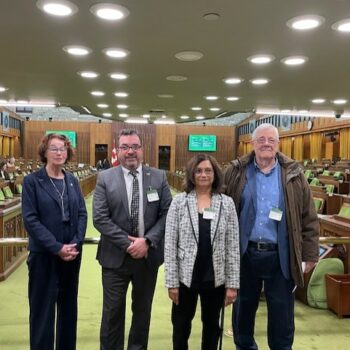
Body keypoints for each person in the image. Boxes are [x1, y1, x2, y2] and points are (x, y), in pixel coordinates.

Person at [224, 123, 319, 350]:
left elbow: (309, 217)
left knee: (282, 315)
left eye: (271, 140)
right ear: (252, 144)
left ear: (278, 144)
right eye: (261, 140)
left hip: (281, 256)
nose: (266, 144)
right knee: (243, 311)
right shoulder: (236, 171)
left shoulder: (295, 175)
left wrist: (310, 254)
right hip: (245, 254)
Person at [93, 128, 172, 350]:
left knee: (142, 313)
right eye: (125, 147)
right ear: (118, 150)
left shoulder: (158, 176)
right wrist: (129, 244)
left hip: (147, 258)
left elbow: (167, 213)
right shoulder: (105, 178)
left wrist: (146, 241)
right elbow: (99, 218)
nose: (130, 152)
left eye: (135, 147)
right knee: (112, 314)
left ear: (142, 150)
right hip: (114, 259)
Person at [165, 153, 240, 350]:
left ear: (215, 174)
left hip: (215, 279)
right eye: (198, 171)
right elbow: (170, 244)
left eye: (208, 170)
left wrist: (232, 285)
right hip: (185, 279)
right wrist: (172, 283)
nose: (203, 174)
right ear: (191, 174)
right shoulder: (179, 202)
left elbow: (232, 246)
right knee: (181, 328)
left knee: (212, 329)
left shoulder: (227, 203)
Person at [22, 133, 87, 350]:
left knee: (68, 311)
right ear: (45, 152)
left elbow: (81, 214)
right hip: (44, 256)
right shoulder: (32, 181)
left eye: (63, 148)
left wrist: (76, 243)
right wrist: (56, 247)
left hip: (71, 256)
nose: (59, 152)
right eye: (54, 148)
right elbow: (31, 219)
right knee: (42, 311)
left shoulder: (72, 181)